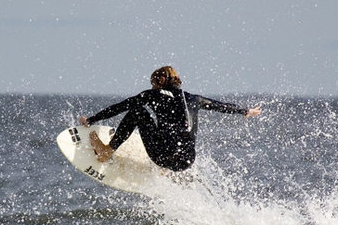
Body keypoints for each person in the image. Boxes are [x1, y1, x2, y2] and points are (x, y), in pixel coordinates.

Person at [78, 66, 261, 172]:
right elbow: (220, 106)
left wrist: (92, 119)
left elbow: (123, 106)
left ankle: (106, 151)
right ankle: (169, 174)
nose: (152, 86)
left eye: (153, 82)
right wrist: (245, 111)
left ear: (162, 79)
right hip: (187, 161)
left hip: (163, 156)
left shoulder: (154, 94)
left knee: (138, 112)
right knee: (175, 135)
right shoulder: (194, 98)